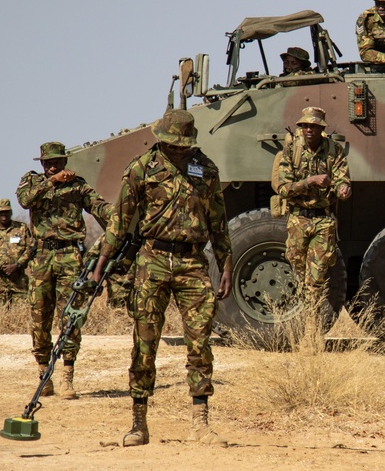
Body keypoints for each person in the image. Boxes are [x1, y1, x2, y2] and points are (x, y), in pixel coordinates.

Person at [91, 109, 233, 448]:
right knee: (145, 343)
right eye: (173, 144)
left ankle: (201, 422)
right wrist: (102, 260)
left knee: (200, 342)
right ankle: (139, 423)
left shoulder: (206, 169)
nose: (179, 149)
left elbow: (219, 221)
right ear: (161, 139)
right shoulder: (141, 169)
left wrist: (226, 265)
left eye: (184, 144)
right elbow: (120, 220)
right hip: (152, 259)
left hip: (193, 262)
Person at [16, 141, 112, 399]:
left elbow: (100, 207)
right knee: (40, 316)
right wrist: (52, 181)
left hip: (70, 254)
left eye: (57, 161)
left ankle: (67, 375)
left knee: (71, 316)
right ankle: (43, 373)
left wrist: (119, 214)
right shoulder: (32, 182)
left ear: (65, 161)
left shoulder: (78, 185)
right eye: (48, 162)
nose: (53, 166)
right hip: (41, 256)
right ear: (43, 164)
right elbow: (25, 200)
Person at [272, 106, 351, 329]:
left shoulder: (333, 151)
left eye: (313, 126)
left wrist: (344, 189)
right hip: (298, 220)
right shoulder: (291, 151)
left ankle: (311, 330)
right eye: (305, 126)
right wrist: (310, 182)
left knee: (315, 280)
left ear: (321, 129)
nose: (308, 130)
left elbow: (342, 180)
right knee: (300, 275)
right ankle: (303, 319)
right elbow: (283, 189)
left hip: (323, 221)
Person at [0, 198, 34, 306]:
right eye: (1, 212)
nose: (4, 215)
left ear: (11, 212)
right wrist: (1, 267)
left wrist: (18, 265)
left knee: (21, 313)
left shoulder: (22, 228)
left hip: (18, 279)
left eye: (6, 212)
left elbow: (30, 248)